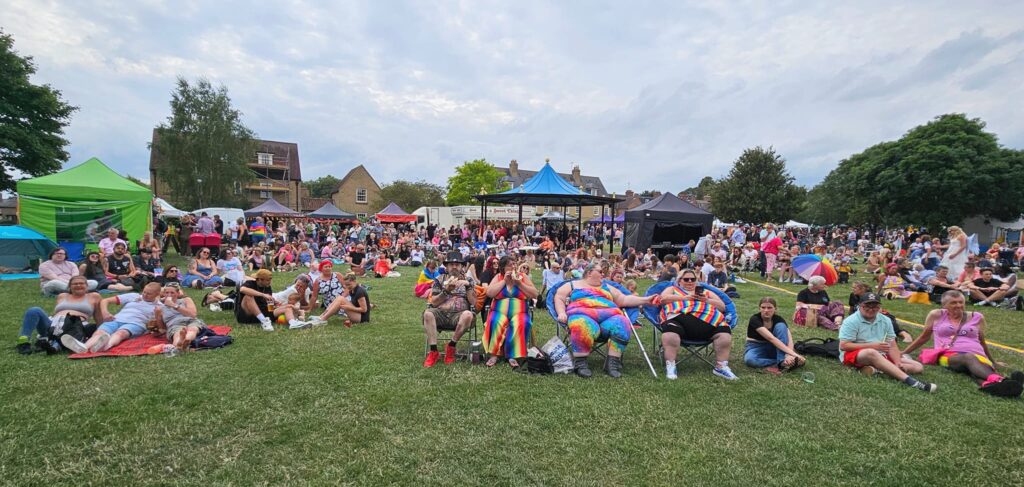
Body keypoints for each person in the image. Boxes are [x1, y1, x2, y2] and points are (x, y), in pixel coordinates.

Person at [903, 290, 1022, 397]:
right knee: (969, 358)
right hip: (948, 355)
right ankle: (1001, 380)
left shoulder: (976, 316)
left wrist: (993, 361)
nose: (958, 305)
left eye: (961, 302)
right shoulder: (936, 315)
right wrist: (904, 352)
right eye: (953, 303)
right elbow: (924, 337)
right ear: (944, 305)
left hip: (977, 354)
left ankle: (990, 386)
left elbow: (981, 341)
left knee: (974, 367)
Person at [554, 261, 655, 378]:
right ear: (589, 273)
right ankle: (580, 363)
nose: (603, 274)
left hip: (609, 317)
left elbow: (624, 299)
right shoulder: (573, 284)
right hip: (582, 314)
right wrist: (561, 312)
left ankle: (611, 363)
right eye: (600, 272)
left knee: (622, 323)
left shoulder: (607, 286)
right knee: (581, 324)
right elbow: (559, 297)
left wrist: (647, 300)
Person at [837, 293, 936, 393]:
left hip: (879, 354)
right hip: (853, 355)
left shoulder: (886, 320)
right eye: (867, 306)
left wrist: (898, 363)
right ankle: (911, 381)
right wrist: (873, 346)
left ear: (880, 307)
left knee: (918, 367)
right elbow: (844, 346)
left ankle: (876, 370)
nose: (871, 309)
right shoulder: (851, 321)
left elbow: (892, 345)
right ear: (860, 306)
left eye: (875, 306)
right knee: (871, 352)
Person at [657, 269, 735, 380]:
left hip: (709, 323)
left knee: (724, 332)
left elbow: (722, 306)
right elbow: (662, 299)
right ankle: (671, 365)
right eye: (686, 279)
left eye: (692, 279)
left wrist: (706, 300)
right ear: (679, 281)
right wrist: (684, 298)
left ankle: (721, 367)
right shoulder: (673, 289)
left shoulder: (706, 292)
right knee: (670, 331)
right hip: (680, 321)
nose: (690, 281)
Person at [63, 282, 164, 354]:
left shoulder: (159, 307)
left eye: (149, 293)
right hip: (117, 319)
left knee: (120, 333)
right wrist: (105, 313)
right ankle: (84, 347)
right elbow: (105, 301)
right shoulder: (133, 296)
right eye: (144, 292)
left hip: (136, 323)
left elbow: (160, 325)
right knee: (99, 333)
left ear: (157, 294)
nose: (145, 295)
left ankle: (105, 346)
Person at [18, 276, 102, 355]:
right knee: (34, 310)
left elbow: (98, 316)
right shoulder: (62, 296)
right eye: (75, 284)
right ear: (70, 286)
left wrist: (101, 330)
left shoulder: (94, 296)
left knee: (70, 321)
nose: (78, 285)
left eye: (81, 283)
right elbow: (56, 313)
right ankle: (24, 342)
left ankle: (52, 343)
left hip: (77, 325)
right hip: (55, 323)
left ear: (87, 286)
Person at [422, 252, 477, 367]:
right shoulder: (439, 279)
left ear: (462, 266)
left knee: (468, 314)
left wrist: (467, 286)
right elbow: (434, 302)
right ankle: (433, 351)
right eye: (451, 264)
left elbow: (474, 303)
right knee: (427, 314)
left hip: (459, 316)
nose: (455, 267)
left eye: (457, 264)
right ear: (446, 267)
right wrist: (446, 291)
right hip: (441, 314)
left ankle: (451, 346)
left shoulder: (469, 280)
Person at [482, 258, 538, 368]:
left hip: (520, 312)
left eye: (514, 264)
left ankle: (513, 355)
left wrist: (519, 284)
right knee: (496, 321)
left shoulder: (522, 277)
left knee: (521, 322)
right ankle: (494, 354)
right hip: (498, 311)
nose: (513, 267)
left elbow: (535, 294)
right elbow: (489, 293)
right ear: (503, 268)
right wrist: (504, 281)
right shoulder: (498, 277)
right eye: (510, 265)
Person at [744, 297, 805, 375]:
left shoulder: (779, 320)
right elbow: (771, 338)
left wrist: (790, 354)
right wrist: (795, 356)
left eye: (769, 308)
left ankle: (783, 362)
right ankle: (783, 362)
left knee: (781, 326)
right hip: (756, 347)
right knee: (750, 360)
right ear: (759, 308)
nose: (766, 310)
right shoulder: (755, 319)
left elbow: (789, 339)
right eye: (763, 307)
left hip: (776, 347)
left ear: (775, 309)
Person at [154, 283, 207, 352]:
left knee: (192, 329)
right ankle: (179, 343)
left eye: (172, 293)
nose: (169, 295)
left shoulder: (186, 300)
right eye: (166, 293)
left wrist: (174, 305)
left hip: (190, 320)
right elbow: (162, 329)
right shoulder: (160, 308)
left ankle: (185, 340)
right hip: (174, 324)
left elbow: (193, 314)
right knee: (177, 333)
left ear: (178, 293)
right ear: (163, 294)